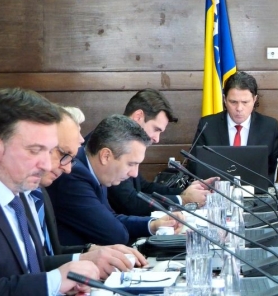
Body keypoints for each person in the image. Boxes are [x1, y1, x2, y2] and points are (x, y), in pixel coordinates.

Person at [0, 88, 99, 295]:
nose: (46, 165)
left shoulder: (20, 192)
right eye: (35, 150)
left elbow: (27, 269)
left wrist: (65, 282)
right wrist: (53, 283)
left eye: (49, 151)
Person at [32, 106, 147, 278]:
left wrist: (87, 251)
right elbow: (115, 233)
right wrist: (85, 256)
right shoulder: (72, 177)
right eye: (64, 153)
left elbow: (49, 254)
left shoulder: (38, 191)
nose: (68, 168)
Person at [47, 114, 183, 246]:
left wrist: (153, 224)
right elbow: (115, 234)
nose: (134, 173)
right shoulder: (73, 176)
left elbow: (111, 219)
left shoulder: (96, 172)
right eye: (131, 164)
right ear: (105, 156)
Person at [105, 89, 214, 216]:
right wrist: (182, 199)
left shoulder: (125, 142)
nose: (157, 139)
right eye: (156, 129)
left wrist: (185, 192)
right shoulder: (111, 142)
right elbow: (130, 203)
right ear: (138, 117)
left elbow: (144, 187)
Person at [193, 71, 278, 175]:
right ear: (225, 99)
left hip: (257, 186)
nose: (239, 108)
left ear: (254, 99)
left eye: (245, 102)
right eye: (233, 102)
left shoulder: (270, 127)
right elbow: (194, 165)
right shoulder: (207, 125)